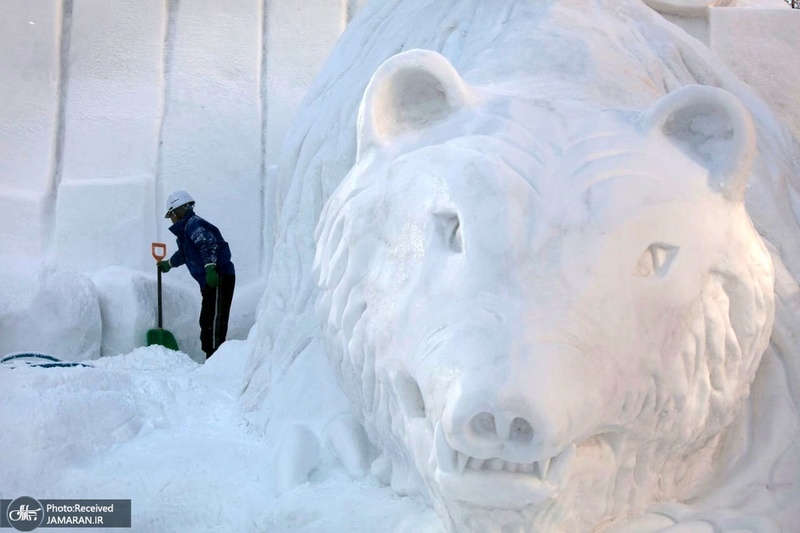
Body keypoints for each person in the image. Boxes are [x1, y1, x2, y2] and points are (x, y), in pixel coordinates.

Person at [158, 190, 235, 360]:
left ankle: (215, 358)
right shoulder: (186, 230)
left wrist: (210, 268)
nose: (171, 219)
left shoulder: (194, 225)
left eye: (171, 215)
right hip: (210, 279)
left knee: (214, 321)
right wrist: (169, 263)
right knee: (207, 320)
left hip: (218, 277)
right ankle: (212, 356)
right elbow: (186, 253)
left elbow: (208, 245)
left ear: (178, 211)